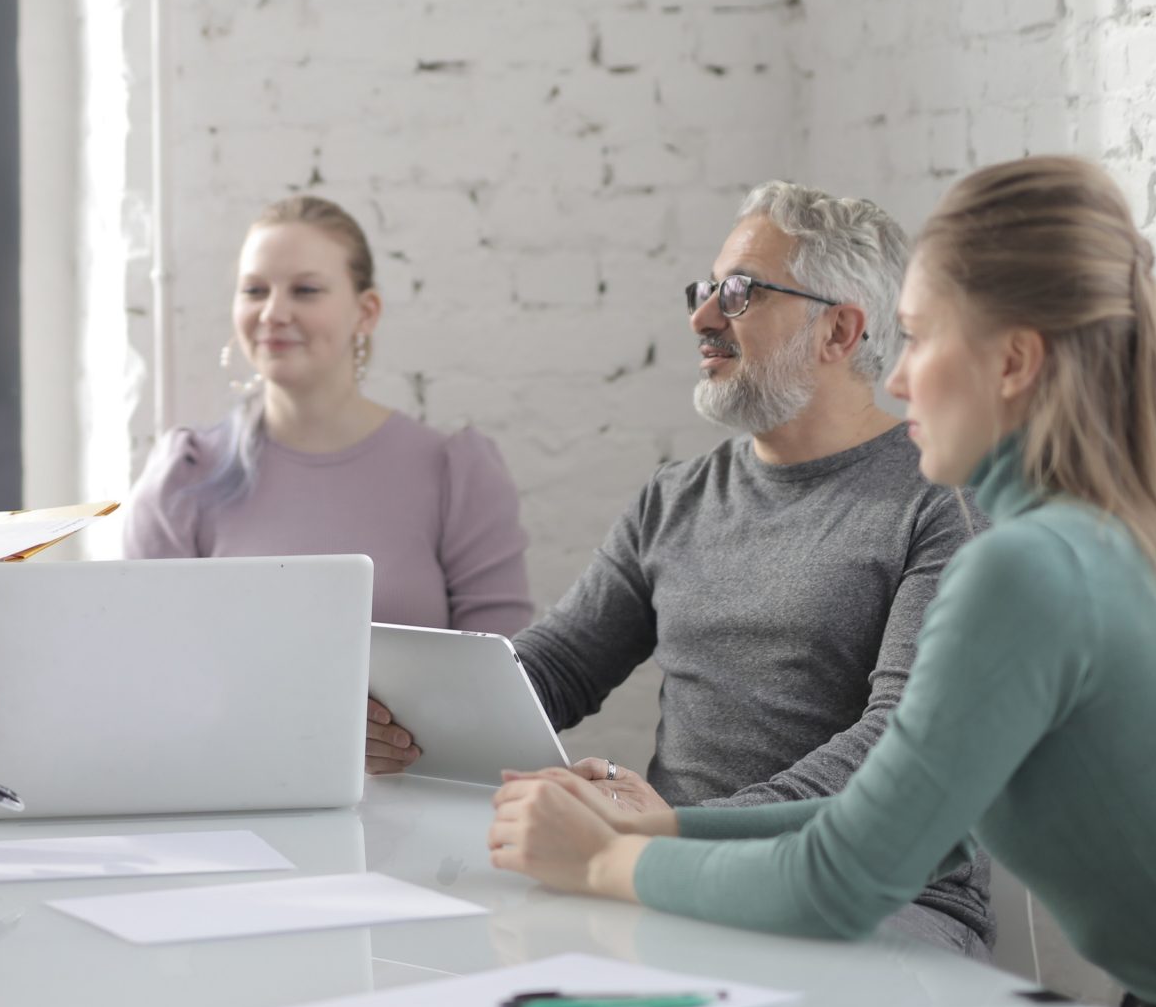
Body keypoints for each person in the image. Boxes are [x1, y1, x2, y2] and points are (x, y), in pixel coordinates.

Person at [489, 157, 1156, 1007]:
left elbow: (844, 878)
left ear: (1011, 363)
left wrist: (609, 859)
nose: (894, 376)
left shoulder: (1024, 568)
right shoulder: (1107, 540)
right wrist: (662, 828)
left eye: (921, 338)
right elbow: (871, 823)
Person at [367, 181, 993, 956]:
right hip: (668, 870)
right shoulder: (677, 497)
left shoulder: (941, 503)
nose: (701, 318)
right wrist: (402, 716)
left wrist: (667, 830)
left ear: (838, 331)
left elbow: (896, 744)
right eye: (704, 291)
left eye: (738, 294)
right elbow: (558, 666)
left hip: (882, 895)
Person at [124, 194, 532, 634]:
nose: (273, 313)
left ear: (366, 312)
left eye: (306, 290)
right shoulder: (183, 477)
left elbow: (499, 674)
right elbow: (146, 662)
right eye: (254, 290)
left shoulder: (456, 474)